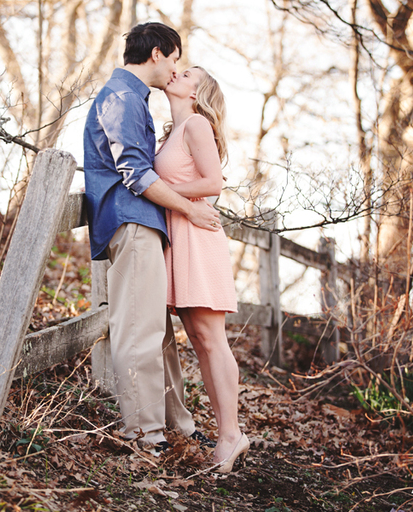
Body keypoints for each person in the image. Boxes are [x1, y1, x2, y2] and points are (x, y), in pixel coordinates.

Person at [83, 22, 221, 454]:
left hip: (147, 225)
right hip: (132, 222)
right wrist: (189, 208)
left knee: (158, 336)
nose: (175, 68)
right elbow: (136, 175)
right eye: (175, 58)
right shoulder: (122, 98)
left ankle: (176, 421)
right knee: (138, 333)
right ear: (158, 53)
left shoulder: (133, 100)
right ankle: (145, 433)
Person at [154, 66, 249, 473]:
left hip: (198, 233)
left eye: (187, 72)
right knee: (197, 337)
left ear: (199, 92)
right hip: (179, 233)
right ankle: (229, 432)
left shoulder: (196, 123)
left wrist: (158, 190)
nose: (177, 72)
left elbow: (214, 183)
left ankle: (231, 434)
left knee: (211, 339)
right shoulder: (170, 132)